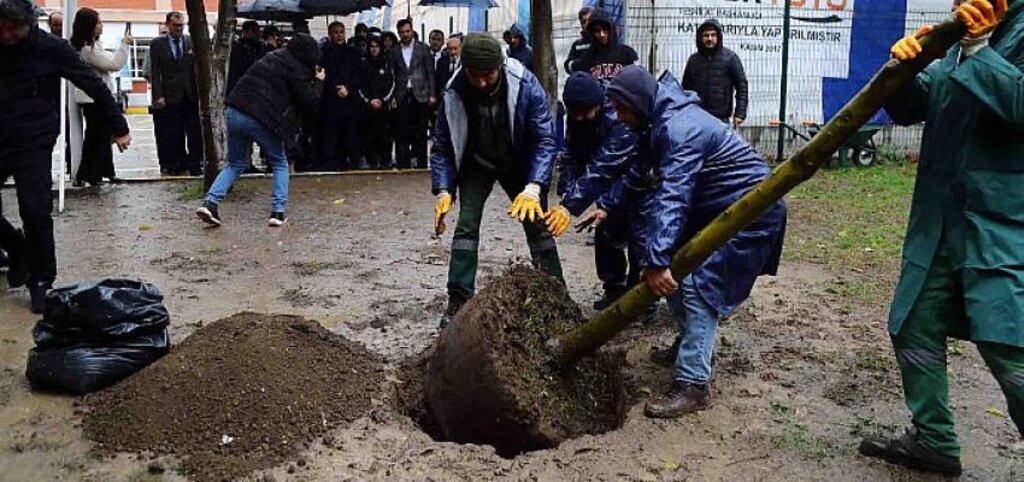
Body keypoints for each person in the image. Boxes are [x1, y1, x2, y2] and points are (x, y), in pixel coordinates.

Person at [857, 0, 1023, 476]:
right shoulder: (963, 31)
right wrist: (906, 70)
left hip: (1001, 222)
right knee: (911, 324)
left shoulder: (998, 33)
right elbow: (923, 102)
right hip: (939, 219)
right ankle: (934, 440)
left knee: (1008, 346)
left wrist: (978, 48)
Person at [602, 65, 786, 417]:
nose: (619, 117)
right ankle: (692, 344)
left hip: (750, 213)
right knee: (676, 274)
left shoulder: (678, 129)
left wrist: (656, 261)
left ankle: (692, 383)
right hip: (719, 208)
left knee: (699, 286)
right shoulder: (660, 120)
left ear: (639, 104)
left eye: (623, 109)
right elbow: (641, 177)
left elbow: (674, 195)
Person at [0, 0, 131, 313]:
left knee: (34, 209)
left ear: (27, 24)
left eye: (12, 28)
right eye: (0, 27)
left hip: (35, 138)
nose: (5, 35)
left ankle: (42, 278)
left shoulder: (51, 48)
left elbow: (94, 86)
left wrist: (119, 127)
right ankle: (16, 248)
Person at [431, 33, 563, 327]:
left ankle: (556, 294)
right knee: (466, 225)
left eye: (487, 75)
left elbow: (545, 140)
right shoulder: (454, 90)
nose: (480, 82)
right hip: (477, 164)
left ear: (500, 67)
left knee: (537, 224)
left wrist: (534, 186)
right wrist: (443, 188)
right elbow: (442, 145)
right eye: (474, 75)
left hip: (519, 163)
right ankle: (459, 300)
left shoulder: (526, 85)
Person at [546, 72, 659, 319]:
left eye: (584, 112)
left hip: (638, 179)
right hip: (606, 181)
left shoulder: (618, 116)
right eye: (574, 113)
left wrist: (570, 206)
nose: (579, 118)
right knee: (606, 231)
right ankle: (614, 289)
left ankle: (642, 300)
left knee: (640, 239)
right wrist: (566, 188)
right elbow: (572, 153)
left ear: (598, 105)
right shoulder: (578, 116)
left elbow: (606, 165)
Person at [196, 33, 323, 228]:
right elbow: (308, 100)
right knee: (280, 162)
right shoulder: (298, 69)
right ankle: (277, 212)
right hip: (262, 118)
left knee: (235, 164)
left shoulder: (271, 56)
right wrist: (318, 80)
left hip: (235, 110)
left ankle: (210, 203)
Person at [70, 7, 130, 186]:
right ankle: (90, 173)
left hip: (95, 98)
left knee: (102, 137)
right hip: (93, 99)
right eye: (99, 23)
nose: (102, 26)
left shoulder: (93, 45)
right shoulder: (87, 49)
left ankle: (104, 172)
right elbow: (113, 63)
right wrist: (125, 44)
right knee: (96, 138)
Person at [148, 11, 202, 176]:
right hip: (170, 96)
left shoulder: (190, 41)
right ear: (168, 25)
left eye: (181, 25)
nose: (179, 28)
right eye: (176, 25)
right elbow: (155, 72)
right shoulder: (157, 44)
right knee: (174, 132)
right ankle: (176, 163)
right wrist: (158, 95)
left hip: (190, 94)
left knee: (194, 132)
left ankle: (195, 163)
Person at [682, 19, 748, 128]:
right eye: (706, 35)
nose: (710, 39)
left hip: (721, 119)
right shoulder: (693, 60)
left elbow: (742, 86)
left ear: (718, 37)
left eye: (713, 35)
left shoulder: (730, 58)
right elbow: (685, 89)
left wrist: (740, 113)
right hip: (697, 117)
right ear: (700, 38)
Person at [317, 21, 362, 171]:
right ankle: (330, 162)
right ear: (330, 34)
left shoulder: (353, 52)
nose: (339, 35)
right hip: (330, 99)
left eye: (342, 32)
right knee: (330, 134)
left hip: (349, 99)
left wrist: (348, 88)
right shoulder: (323, 52)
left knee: (350, 133)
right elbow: (321, 75)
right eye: (336, 32)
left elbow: (358, 75)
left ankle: (351, 162)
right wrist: (335, 88)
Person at [391, 18, 435, 169]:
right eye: (402, 32)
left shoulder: (423, 48)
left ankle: (421, 162)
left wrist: (432, 94)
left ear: (412, 30)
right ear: (398, 33)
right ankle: (403, 163)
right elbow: (393, 74)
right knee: (401, 129)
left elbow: (430, 72)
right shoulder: (394, 50)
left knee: (420, 130)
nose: (405, 35)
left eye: (407, 31)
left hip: (421, 93)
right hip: (401, 93)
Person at [571, 8, 637, 83]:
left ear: (611, 29)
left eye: (605, 29)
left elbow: (635, 82)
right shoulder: (587, 58)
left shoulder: (626, 54)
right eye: (597, 31)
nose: (602, 34)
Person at [359, 35, 395, 170]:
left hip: (384, 106)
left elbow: (392, 83)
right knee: (369, 135)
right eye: (372, 47)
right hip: (368, 107)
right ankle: (372, 161)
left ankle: (385, 161)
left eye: (377, 46)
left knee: (385, 135)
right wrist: (369, 101)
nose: (374, 50)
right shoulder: (363, 64)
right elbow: (360, 86)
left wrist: (383, 100)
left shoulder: (386, 63)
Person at [227, 20, 265, 96]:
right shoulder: (238, 48)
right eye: (254, 30)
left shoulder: (260, 48)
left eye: (258, 30)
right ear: (245, 32)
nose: (257, 33)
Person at [563, 7, 592, 74]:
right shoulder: (577, 45)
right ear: (581, 25)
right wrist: (579, 63)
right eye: (584, 22)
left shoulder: (602, 40)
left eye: (590, 20)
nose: (587, 24)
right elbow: (568, 66)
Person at [435, 34, 461, 101]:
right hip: (444, 97)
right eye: (450, 49)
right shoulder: (441, 62)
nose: (453, 52)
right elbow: (437, 81)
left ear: (460, 48)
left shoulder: (464, 62)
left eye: (455, 48)